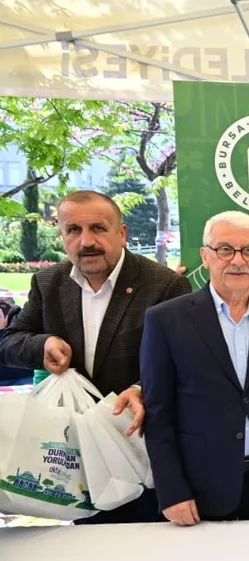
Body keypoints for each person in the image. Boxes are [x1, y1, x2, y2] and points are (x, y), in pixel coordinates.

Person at [0, 189, 190, 523]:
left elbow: (185, 361)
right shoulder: (48, 282)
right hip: (79, 462)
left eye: (98, 228)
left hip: (143, 450)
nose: (86, 241)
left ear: (122, 233)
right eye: (73, 230)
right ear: (61, 234)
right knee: (90, 545)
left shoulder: (164, 285)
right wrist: (42, 345)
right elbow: (10, 342)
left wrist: (141, 388)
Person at [140, 211, 249, 525]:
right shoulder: (166, 320)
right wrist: (172, 490)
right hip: (199, 490)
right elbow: (158, 414)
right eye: (225, 249)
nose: (238, 260)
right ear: (205, 256)